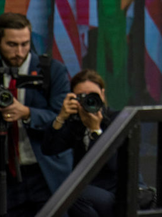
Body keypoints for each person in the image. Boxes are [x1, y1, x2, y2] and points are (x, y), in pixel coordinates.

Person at [0, 12, 73, 216]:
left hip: (45, 173)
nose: (19, 52)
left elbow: (61, 117)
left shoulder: (52, 71)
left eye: (25, 44)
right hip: (4, 176)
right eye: (12, 44)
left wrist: (27, 112)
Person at [41, 69, 119, 217]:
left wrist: (95, 130)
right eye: (81, 97)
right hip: (86, 193)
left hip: (115, 192)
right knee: (72, 193)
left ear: (102, 94)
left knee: (72, 192)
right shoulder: (76, 123)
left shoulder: (117, 119)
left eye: (93, 95)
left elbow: (114, 165)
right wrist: (61, 118)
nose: (88, 101)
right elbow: (49, 149)